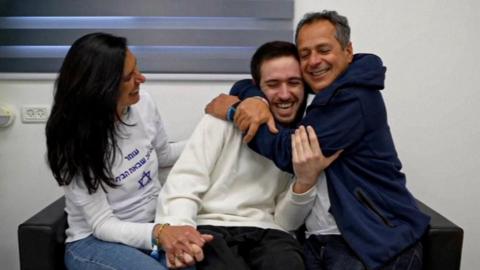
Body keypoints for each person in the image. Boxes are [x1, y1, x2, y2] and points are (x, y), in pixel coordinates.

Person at [206, 10, 430, 270]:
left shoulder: (355, 98)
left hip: (372, 244)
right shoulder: (326, 87)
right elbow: (254, 82)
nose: (314, 61)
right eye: (305, 54)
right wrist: (253, 100)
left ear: (348, 51)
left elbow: (290, 152)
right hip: (321, 242)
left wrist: (236, 113)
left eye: (323, 50)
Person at [155, 41, 340, 270]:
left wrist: (304, 181)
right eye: (273, 84)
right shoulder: (220, 120)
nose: (284, 94)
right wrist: (182, 231)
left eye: (294, 83)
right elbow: (184, 182)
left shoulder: (301, 136)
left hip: (269, 232)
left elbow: (285, 222)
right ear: (257, 87)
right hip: (211, 226)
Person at [45, 32, 212, 270]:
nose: (141, 79)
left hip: (152, 225)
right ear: (101, 87)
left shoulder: (143, 103)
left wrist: (212, 132)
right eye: (128, 77)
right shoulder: (72, 140)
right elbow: (103, 225)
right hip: (94, 242)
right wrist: (160, 233)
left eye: (137, 69)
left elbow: (164, 155)